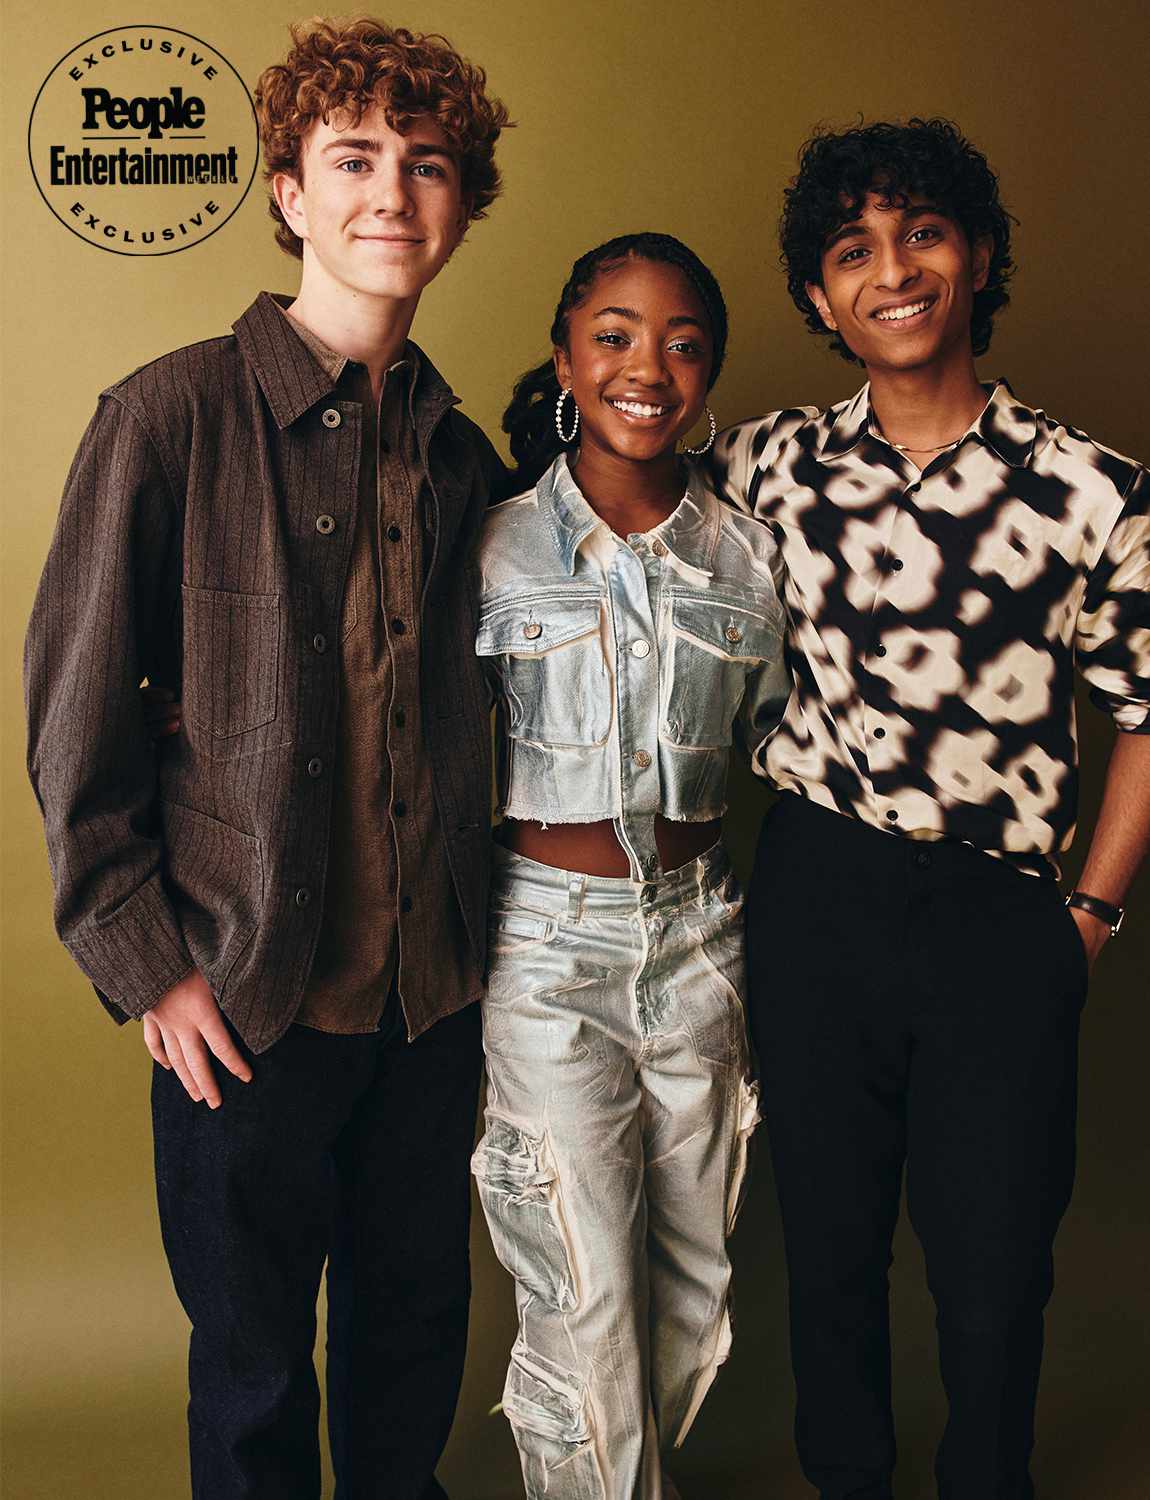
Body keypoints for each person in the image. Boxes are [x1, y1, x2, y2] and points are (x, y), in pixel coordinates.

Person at [24, 18, 510, 1499]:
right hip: (242, 992)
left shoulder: (461, 453)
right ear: (289, 191)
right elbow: (77, 721)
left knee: (412, 1329)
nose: (391, 194)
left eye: (426, 167)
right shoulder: (166, 417)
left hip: (430, 999)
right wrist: (146, 961)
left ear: (461, 206)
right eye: (352, 159)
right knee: (246, 1360)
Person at [710, 118, 1150, 1500]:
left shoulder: (1093, 488)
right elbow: (618, 491)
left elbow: (1147, 711)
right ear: (816, 300)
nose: (889, 271)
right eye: (851, 252)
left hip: (997, 916)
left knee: (992, 1259)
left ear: (976, 256)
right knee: (825, 1246)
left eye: (919, 233)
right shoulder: (766, 466)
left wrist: (1084, 916)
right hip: (815, 891)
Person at [470, 232, 790, 1499]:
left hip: (703, 937)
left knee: (693, 1288)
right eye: (613, 333)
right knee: (585, 1293)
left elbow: (787, 736)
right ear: (565, 356)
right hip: (546, 946)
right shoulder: (488, 547)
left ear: (707, 374)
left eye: (682, 341)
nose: (646, 365)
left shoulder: (751, 558)